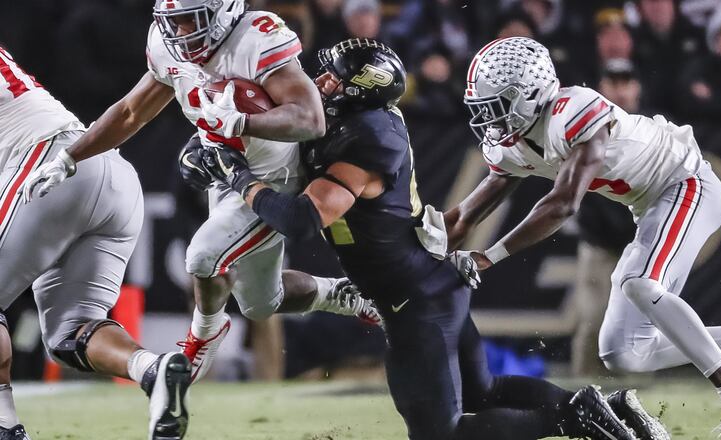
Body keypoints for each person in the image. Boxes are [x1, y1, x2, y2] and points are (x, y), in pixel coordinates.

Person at [196, 37, 668, 440]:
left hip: (413, 299)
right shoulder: (356, 123)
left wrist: (238, 179)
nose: (321, 84)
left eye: (334, 78)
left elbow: (303, 220)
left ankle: (575, 415)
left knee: (440, 433)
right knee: (482, 391)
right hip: (427, 280)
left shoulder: (366, 137)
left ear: (360, 91)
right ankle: (606, 409)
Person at [20, 0, 380, 384]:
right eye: (173, 23)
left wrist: (244, 121)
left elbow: (311, 119)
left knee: (203, 256)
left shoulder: (256, 37)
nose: (180, 33)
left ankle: (202, 339)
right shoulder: (166, 44)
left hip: (274, 174)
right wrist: (69, 157)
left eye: (190, 20)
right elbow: (131, 112)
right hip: (224, 171)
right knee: (261, 303)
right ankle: (337, 292)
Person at [447, 36, 721, 439]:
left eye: (498, 104)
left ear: (529, 94)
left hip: (688, 183)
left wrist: (491, 255)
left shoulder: (571, 110)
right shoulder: (515, 143)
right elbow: (465, 215)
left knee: (640, 284)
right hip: (651, 205)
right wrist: (419, 252)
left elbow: (563, 204)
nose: (490, 118)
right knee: (623, 351)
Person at [0, 45, 190, 440]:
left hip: (48, 166)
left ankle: (5, 426)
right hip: (105, 166)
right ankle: (150, 369)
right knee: (71, 334)